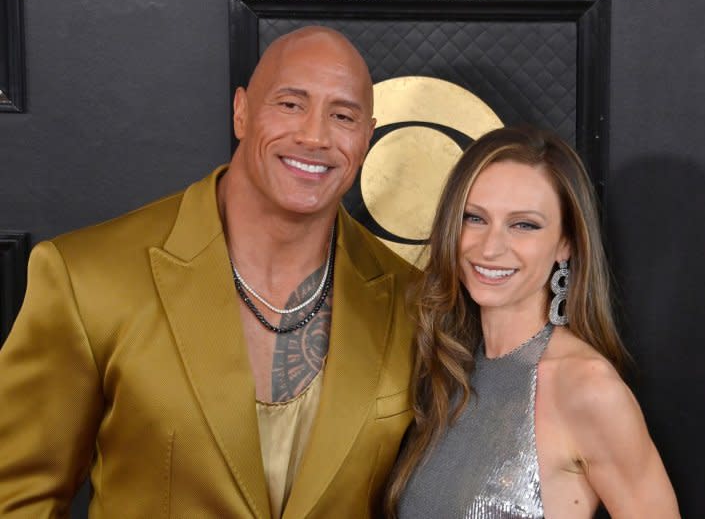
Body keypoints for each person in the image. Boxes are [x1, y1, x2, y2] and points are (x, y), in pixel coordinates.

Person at [0, 26, 416, 518]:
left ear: (367, 136)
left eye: (342, 116)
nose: (314, 135)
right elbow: (18, 499)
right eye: (289, 104)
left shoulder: (415, 301)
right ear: (241, 111)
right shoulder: (86, 276)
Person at [387, 125, 680, 518]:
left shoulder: (587, 387)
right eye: (474, 218)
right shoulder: (448, 369)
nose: (490, 247)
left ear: (566, 243)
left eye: (523, 224)